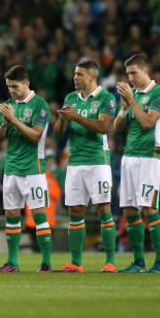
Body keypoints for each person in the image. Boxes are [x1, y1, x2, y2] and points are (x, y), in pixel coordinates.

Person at [53, 59, 118, 272]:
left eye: (79, 74)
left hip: (98, 160)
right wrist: (63, 120)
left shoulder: (106, 98)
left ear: (91, 77)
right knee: (75, 210)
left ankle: (109, 262)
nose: (74, 78)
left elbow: (103, 126)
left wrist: (75, 116)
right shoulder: (71, 98)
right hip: (75, 161)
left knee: (103, 208)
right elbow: (58, 133)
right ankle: (76, 263)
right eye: (74, 74)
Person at [0, 65, 52, 272]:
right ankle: (12, 263)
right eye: (9, 87)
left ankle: (46, 263)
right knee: (11, 215)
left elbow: (36, 136)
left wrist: (14, 119)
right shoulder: (8, 105)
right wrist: (4, 124)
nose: (12, 91)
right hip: (11, 169)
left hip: (33, 169)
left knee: (38, 215)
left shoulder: (39, 104)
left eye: (15, 86)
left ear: (27, 83)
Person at [112, 54, 160, 273]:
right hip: (129, 155)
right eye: (128, 74)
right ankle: (138, 262)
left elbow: (147, 123)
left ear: (146, 71)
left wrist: (132, 102)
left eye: (134, 73)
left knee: (149, 207)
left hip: (150, 155)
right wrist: (125, 108)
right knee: (129, 209)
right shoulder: (131, 95)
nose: (131, 78)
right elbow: (117, 128)